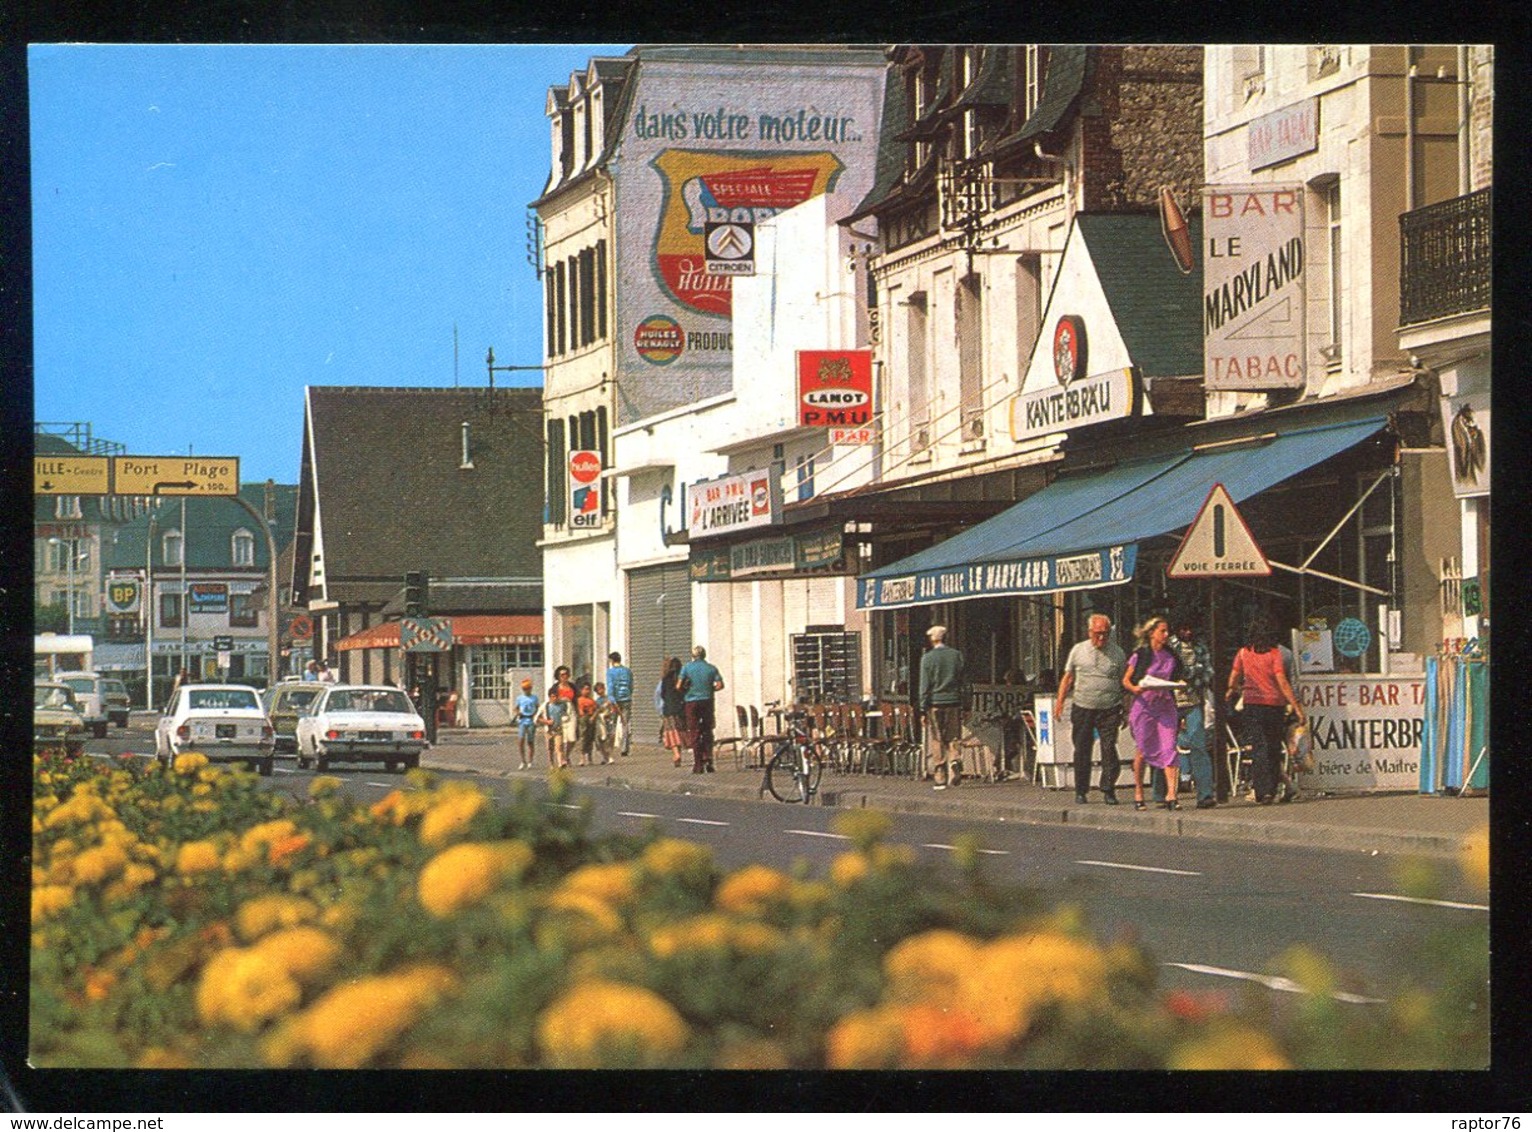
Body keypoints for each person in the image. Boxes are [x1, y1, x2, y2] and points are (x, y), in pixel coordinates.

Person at [1225, 615, 1307, 805]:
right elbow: (1283, 682)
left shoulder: (1243, 653)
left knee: (1258, 747)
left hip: (1252, 704)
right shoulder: (1275, 654)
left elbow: (1232, 680)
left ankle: (1261, 791)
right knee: (1273, 747)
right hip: (1274, 705)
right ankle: (1272, 789)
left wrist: (1240, 690)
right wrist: (1297, 707)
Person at [1055, 613, 1128, 805]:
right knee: (1082, 749)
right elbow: (1068, 678)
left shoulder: (1118, 653)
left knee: (1109, 748)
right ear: (1089, 632)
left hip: (1110, 707)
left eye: (1105, 633)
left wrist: (1127, 709)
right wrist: (1059, 702)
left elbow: (1124, 682)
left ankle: (1108, 788)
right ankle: (1081, 790)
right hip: (1083, 706)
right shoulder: (1078, 651)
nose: (1101, 638)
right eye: (1097, 634)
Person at [1123, 616, 1186, 811]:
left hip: (1165, 704)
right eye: (1162, 631)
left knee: (1169, 748)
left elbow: (1178, 677)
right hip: (1144, 705)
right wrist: (1135, 689)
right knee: (1143, 749)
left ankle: (1172, 795)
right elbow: (1126, 680)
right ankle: (1139, 791)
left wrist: (1180, 684)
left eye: (1167, 632)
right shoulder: (1141, 655)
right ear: (1152, 633)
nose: (1166, 635)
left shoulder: (1171, 656)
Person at [1167, 612, 1216, 809]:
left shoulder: (1200, 647)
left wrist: (1192, 679)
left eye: (1190, 629)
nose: (1187, 632)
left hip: (1193, 701)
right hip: (1170, 702)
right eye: (1183, 629)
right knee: (1166, 749)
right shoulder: (1169, 646)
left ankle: (1205, 794)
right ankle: (1162, 793)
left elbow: (1208, 673)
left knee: (1198, 745)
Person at [918, 625, 966, 790]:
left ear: (932, 639)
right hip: (954, 702)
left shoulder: (927, 658)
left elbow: (924, 686)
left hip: (935, 704)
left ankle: (940, 773)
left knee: (937, 739)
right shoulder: (956, 656)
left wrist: (923, 708)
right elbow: (964, 683)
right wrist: (966, 705)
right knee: (954, 737)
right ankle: (955, 760)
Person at [679, 645, 725, 774]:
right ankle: (709, 759)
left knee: (694, 731)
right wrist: (710, 689)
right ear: (704, 655)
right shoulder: (711, 668)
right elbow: (720, 685)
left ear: (693, 656)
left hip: (691, 702)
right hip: (707, 701)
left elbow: (678, 685)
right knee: (707, 730)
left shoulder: (686, 668)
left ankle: (698, 763)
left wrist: (686, 691)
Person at [657, 657, 688, 767]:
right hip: (680, 709)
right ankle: (679, 753)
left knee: (671, 732)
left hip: (669, 710)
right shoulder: (683, 678)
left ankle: (676, 754)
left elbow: (662, 694)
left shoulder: (665, 679)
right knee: (679, 731)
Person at [604, 651, 634, 757]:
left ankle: (609, 748)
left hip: (615, 700)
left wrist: (611, 699)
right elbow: (631, 685)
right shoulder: (627, 671)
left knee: (612, 724)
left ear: (612, 661)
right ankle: (625, 748)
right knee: (625, 723)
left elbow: (610, 686)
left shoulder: (610, 672)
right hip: (626, 699)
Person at [513, 678, 540, 770]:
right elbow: (516, 708)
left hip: (531, 720)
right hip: (522, 720)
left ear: (531, 688)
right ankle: (523, 761)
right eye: (524, 689)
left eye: (528, 688)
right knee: (520, 741)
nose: (526, 690)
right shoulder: (520, 698)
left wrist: (536, 715)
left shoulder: (534, 698)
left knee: (530, 742)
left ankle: (530, 761)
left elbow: (538, 708)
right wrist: (517, 713)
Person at [574, 682, 599, 766]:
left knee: (590, 738)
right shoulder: (579, 700)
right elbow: (579, 711)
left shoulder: (591, 700)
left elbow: (596, 709)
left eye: (588, 689)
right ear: (581, 690)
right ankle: (582, 758)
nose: (587, 691)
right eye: (585, 689)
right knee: (583, 737)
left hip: (591, 718)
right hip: (583, 719)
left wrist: (593, 717)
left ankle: (590, 757)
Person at [592, 681, 617, 765]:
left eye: (602, 689)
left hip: (610, 721)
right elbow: (596, 711)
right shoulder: (597, 701)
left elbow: (615, 707)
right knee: (602, 739)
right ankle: (605, 757)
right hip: (601, 722)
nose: (601, 691)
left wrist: (619, 716)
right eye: (598, 690)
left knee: (611, 738)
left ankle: (609, 756)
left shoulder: (610, 698)